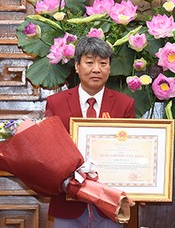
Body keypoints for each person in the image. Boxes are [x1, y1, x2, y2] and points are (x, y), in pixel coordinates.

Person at [45, 36, 135, 228]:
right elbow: (48, 152)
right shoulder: (56, 103)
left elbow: (131, 151)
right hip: (68, 203)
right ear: (77, 66)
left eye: (103, 63)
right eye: (89, 62)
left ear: (110, 68)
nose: (96, 69)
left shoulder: (125, 104)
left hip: (109, 204)